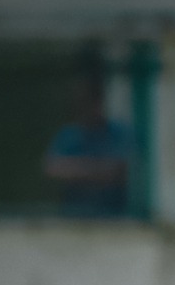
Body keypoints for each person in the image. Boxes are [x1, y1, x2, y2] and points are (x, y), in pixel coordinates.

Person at [43, 57, 131, 218]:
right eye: (79, 104)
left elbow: (119, 170)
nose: (83, 109)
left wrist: (76, 169)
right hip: (74, 215)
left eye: (88, 102)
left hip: (113, 217)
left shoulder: (118, 133)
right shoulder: (70, 134)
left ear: (99, 103)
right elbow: (53, 168)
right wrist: (97, 170)